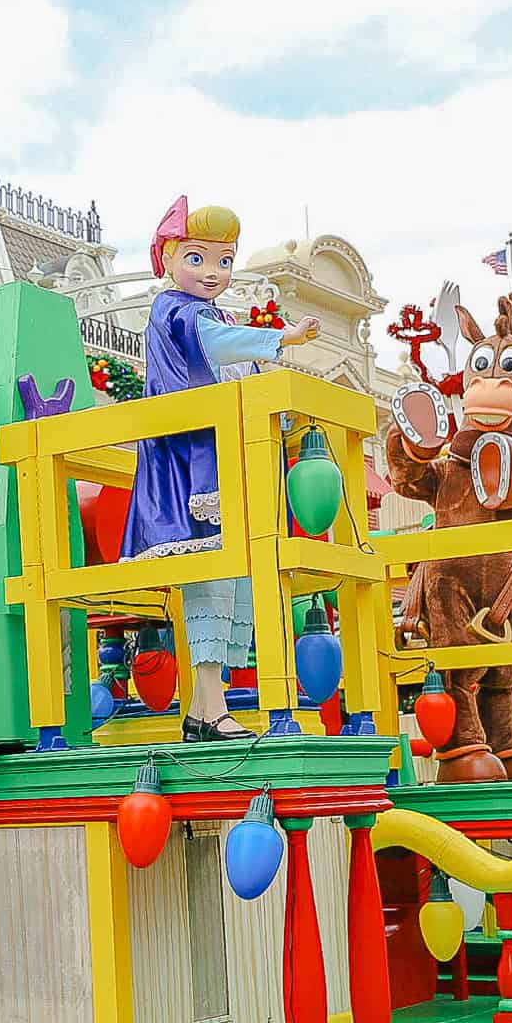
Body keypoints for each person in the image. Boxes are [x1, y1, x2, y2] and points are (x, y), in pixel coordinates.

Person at [119, 197, 321, 740]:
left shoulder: (207, 313)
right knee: (211, 575)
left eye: (224, 261)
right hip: (192, 462)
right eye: (198, 258)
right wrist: (283, 338)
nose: (212, 273)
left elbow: (231, 361)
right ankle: (208, 709)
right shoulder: (177, 311)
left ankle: (208, 706)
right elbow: (214, 344)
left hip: (218, 458)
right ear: (169, 259)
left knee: (229, 577)